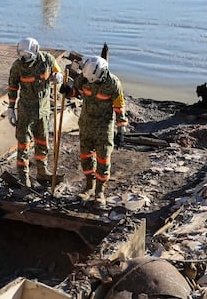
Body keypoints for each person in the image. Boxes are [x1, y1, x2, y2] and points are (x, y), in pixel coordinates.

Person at [60, 55, 128, 207]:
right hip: (86, 124)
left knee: (103, 159)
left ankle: (100, 191)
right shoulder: (85, 77)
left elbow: (119, 107)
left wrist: (121, 128)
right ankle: (89, 187)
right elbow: (76, 92)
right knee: (86, 156)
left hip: (103, 128)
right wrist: (67, 91)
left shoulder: (113, 83)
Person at [7, 37, 63, 187]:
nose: (25, 60)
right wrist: (11, 109)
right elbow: (13, 88)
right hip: (26, 110)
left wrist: (58, 77)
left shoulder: (47, 60)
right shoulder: (18, 66)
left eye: (28, 56)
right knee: (23, 144)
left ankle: (42, 171)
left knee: (42, 142)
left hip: (43, 110)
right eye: (22, 56)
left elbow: (58, 72)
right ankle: (23, 176)